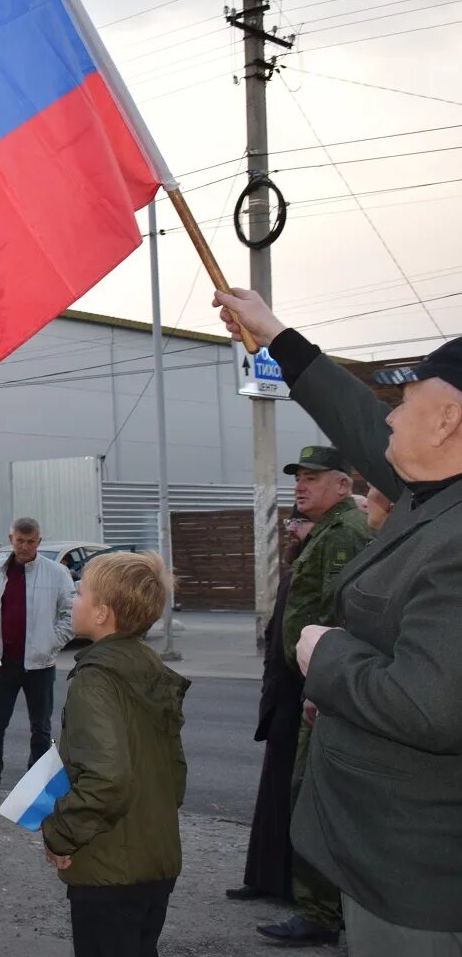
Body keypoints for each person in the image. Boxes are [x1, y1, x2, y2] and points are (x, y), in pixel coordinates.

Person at [216, 288, 462, 954]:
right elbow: (353, 415)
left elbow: (429, 703)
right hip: (381, 858)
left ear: (445, 424)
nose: (385, 423)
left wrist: (329, 656)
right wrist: (276, 336)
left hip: (418, 879)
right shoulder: (434, 495)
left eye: (403, 405)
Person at [41, 552, 188, 957]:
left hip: (109, 868)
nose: (73, 600)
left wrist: (60, 834)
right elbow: (175, 774)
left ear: (103, 613)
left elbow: (107, 779)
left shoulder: (96, 680)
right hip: (154, 857)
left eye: (80, 593)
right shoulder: (149, 667)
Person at [255, 445, 373, 948]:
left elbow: (341, 615)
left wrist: (322, 686)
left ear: (343, 486)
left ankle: (321, 912)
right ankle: (320, 907)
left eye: (313, 478)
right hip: (310, 682)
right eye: (298, 478)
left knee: (314, 795)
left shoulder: (344, 533)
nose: (300, 486)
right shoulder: (327, 530)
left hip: (323, 686)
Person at [227, 512, 312, 904]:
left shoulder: (323, 562)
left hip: (302, 695)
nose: (292, 530)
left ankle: (294, 888)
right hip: (280, 694)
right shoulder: (300, 566)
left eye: (301, 524)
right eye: (292, 525)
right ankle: (264, 877)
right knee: (273, 791)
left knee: (294, 794)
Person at [0, 517, 75, 801]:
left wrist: (52, 643)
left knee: (40, 726)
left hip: (40, 664)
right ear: (11, 538)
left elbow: (70, 613)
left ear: (39, 541)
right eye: (20, 540)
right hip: (1, 662)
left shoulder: (56, 573)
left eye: (31, 541)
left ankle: (36, 787)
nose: (25, 546)